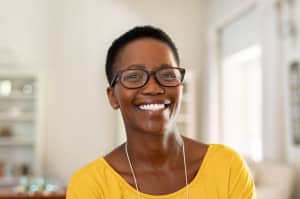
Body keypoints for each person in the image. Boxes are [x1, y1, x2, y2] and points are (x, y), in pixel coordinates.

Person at [66, 26, 257, 199]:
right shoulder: (91, 186)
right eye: (134, 76)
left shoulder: (227, 167)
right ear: (112, 97)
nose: (153, 88)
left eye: (167, 75)